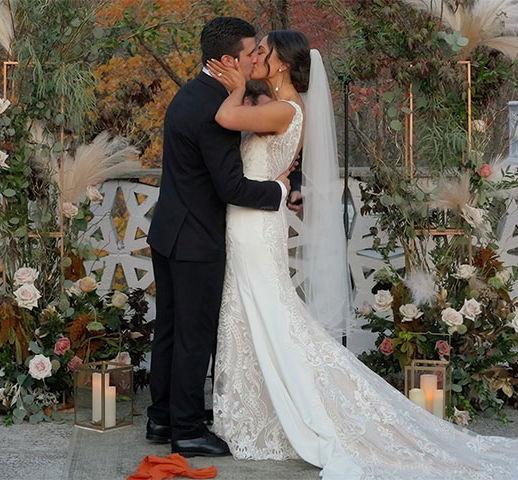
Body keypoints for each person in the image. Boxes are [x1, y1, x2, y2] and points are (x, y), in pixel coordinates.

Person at [206, 30, 518, 480]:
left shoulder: (285, 108)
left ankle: (300, 408)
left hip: (254, 225)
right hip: (251, 220)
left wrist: (235, 85)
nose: (254, 57)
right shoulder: (282, 105)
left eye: (262, 51)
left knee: (265, 309)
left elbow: (225, 116)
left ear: (282, 63)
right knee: (251, 310)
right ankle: (256, 408)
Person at [145, 17, 294, 457]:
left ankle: (163, 417)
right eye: (250, 53)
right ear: (229, 60)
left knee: (170, 330)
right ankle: (188, 430)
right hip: (196, 239)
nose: (255, 59)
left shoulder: (192, 92)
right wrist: (280, 190)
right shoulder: (214, 109)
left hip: (169, 231)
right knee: (194, 335)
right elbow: (231, 187)